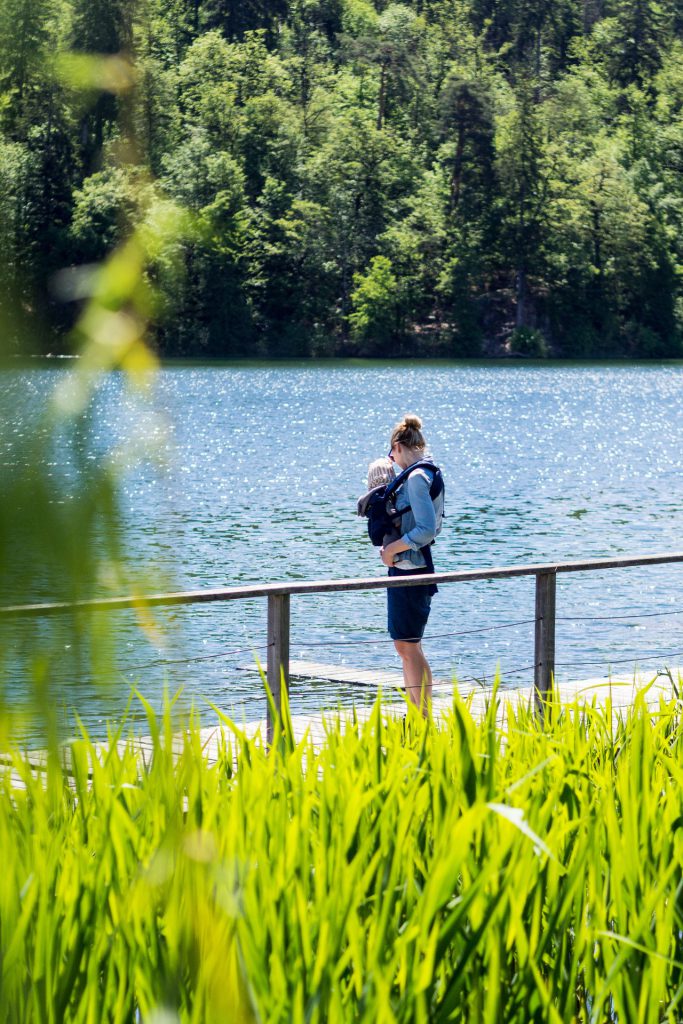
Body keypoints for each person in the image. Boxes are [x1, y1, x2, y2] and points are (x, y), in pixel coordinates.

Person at [379, 414, 443, 714]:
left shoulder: (417, 477)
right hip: (414, 567)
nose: (393, 461)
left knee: (408, 646)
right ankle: (417, 713)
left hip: (411, 568)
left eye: (392, 455)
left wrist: (392, 548)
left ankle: (422, 716)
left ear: (398, 446)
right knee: (408, 646)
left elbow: (427, 529)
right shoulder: (428, 471)